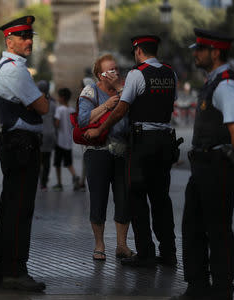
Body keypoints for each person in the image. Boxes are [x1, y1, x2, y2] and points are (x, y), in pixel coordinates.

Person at [171, 29, 234, 300]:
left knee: (217, 230)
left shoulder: (226, 86)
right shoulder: (213, 82)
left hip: (216, 166)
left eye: (200, 49)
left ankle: (221, 291)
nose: (195, 53)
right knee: (193, 227)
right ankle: (197, 286)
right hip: (203, 164)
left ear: (215, 52)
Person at [85, 35, 178, 268]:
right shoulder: (170, 73)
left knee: (136, 197)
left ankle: (145, 253)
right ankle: (168, 253)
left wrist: (100, 130)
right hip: (165, 141)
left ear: (138, 51)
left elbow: (120, 110)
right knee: (161, 199)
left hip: (142, 143)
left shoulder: (138, 74)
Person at [0, 16, 49, 292]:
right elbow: (43, 106)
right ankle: (14, 271)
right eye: (23, 36)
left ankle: (3, 270)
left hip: (16, 145)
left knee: (10, 208)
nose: (29, 41)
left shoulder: (9, 67)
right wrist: (42, 99)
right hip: (22, 145)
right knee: (18, 211)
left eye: (30, 36)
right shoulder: (15, 70)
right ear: (9, 41)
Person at [78, 54, 134, 261]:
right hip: (98, 152)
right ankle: (99, 244)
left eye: (117, 70)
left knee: (123, 198)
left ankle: (122, 245)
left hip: (122, 152)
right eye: (110, 70)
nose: (115, 74)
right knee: (98, 198)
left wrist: (121, 91)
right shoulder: (90, 91)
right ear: (99, 75)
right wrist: (106, 106)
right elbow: (83, 120)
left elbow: (134, 117)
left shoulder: (126, 91)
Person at [52, 87, 79, 191]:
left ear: (62, 98)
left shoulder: (59, 109)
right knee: (69, 162)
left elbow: (57, 124)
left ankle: (59, 183)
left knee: (57, 163)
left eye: (59, 97)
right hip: (68, 141)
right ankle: (75, 176)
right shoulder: (72, 110)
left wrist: (54, 124)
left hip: (60, 140)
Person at [37, 80, 56, 191]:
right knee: (47, 160)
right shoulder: (53, 103)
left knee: (38, 160)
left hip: (40, 134)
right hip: (50, 134)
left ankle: (40, 180)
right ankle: (44, 183)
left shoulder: (36, 103)